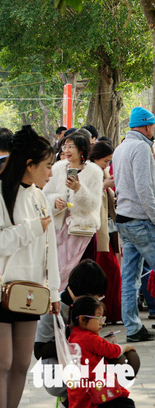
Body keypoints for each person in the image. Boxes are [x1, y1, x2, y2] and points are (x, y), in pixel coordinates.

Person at [0, 125, 61, 408]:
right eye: (47, 166)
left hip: (30, 291)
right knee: (3, 362)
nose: (51, 173)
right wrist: (31, 229)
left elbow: (51, 252)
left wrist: (55, 292)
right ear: (29, 164)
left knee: (22, 364)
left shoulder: (37, 196)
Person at [112, 107, 155, 342]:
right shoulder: (140, 147)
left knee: (130, 277)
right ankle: (133, 327)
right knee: (132, 277)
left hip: (124, 219)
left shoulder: (121, 148)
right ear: (147, 126)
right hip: (141, 220)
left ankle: (133, 327)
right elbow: (144, 188)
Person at [44, 131, 102, 290]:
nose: (66, 150)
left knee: (80, 276)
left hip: (82, 230)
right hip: (59, 228)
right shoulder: (57, 168)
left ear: (82, 149)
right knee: (56, 269)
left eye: (71, 146)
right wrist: (55, 200)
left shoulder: (94, 172)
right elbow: (45, 194)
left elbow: (94, 204)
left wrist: (79, 189)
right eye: (65, 146)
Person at [67, 296, 136, 408]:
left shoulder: (73, 336)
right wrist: (125, 347)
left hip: (79, 393)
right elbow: (112, 351)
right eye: (98, 318)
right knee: (127, 404)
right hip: (95, 394)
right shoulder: (89, 338)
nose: (101, 323)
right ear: (82, 320)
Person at [90, 141, 122, 324]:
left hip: (107, 230)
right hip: (97, 231)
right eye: (105, 161)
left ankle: (112, 313)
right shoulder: (91, 172)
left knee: (113, 272)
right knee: (109, 272)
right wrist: (103, 185)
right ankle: (108, 313)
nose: (107, 165)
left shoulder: (102, 172)